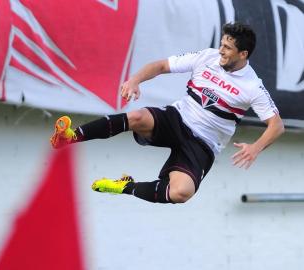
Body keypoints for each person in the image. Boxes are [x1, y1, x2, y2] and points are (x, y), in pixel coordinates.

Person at [49, 22, 285, 204]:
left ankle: (125, 186)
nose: (221, 50)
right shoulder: (207, 57)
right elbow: (161, 65)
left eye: (227, 48)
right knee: (138, 117)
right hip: (178, 118)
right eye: (222, 44)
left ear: (243, 54)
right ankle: (70, 136)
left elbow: (276, 125)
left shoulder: (252, 86)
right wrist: (135, 80)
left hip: (203, 143)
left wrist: (255, 148)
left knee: (181, 193)